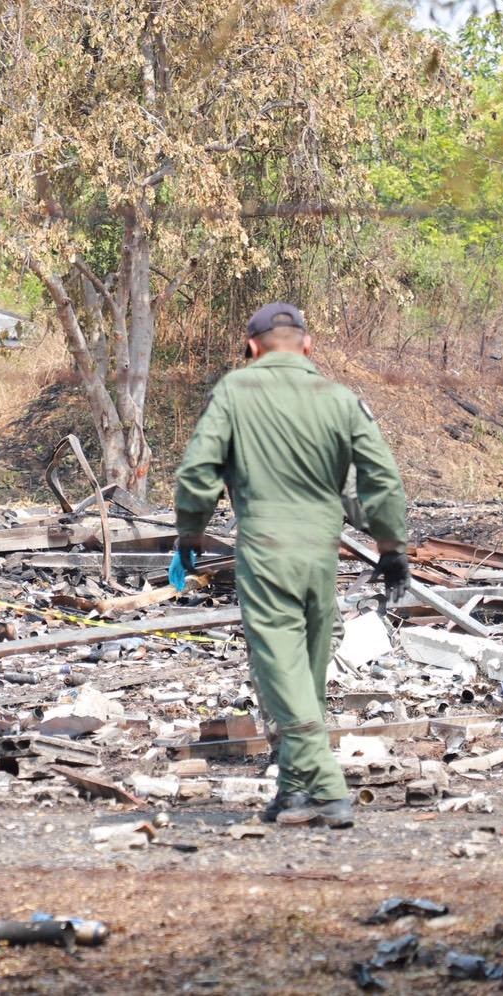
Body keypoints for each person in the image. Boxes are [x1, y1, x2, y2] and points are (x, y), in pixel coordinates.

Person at [171, 302, 409, 828]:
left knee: (280, 669)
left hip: (266, 550)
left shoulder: (235, 391)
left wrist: (190, 530)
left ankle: (325, 785)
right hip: (322, 555)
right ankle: (293, 791)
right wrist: (392, 547)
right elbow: (379, 480)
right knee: (305, 672)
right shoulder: (340, 399)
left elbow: (198, 470)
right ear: (308, 345)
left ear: (252, 347)